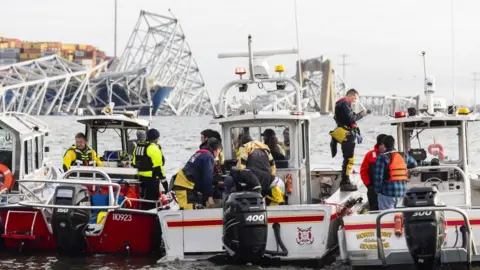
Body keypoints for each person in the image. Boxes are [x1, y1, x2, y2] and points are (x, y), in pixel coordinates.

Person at [329, 88, 370, 192]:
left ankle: (345, 180)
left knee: (348, 159)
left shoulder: (341, 104)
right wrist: (362, 114)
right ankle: (345, 182)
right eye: (354, 98)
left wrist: (359, 114)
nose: (355, 100)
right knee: (349, 159)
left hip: (345, 133)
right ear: (350, 95)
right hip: (346, 135)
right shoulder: (344, 104)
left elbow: (349, 118)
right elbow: (351, 119)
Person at [172, 138, 223, 210]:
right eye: (219, 152)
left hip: (184, 183)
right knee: (189, 211)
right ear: (218, 149)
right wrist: (210, 197)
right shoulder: (209, 157)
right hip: (185, 186)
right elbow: (207, 179)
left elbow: (200, 174)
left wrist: (216, 182)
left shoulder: (200, 153)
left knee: (193, 208)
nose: (218, 155)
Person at [374, 135, 417, 210]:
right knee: (399, 216)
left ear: (384, 145)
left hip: (387, 193)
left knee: (386, 218)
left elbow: (378, 177)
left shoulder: (382, 157)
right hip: (401, 192)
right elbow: (414, 163)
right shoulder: (403, 156)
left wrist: (378, 191)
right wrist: (404, 166)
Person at [132, 128, 166, 210]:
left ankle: (142, 212)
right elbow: (158, 167)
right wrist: (164, 181)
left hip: (140, 178)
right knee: (152, 202)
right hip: (151, 179)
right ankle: (152, 215)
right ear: (156, 138)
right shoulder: (153, 148)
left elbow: (133, 163)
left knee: (143, 199)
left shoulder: (138, 147)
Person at [360, 134, 387, 211]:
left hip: (388, 189)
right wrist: (369, 186)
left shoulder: (391, 155)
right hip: (373, 189)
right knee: (374, 210)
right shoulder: (369, 155)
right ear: (379, 144)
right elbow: (363, 171)